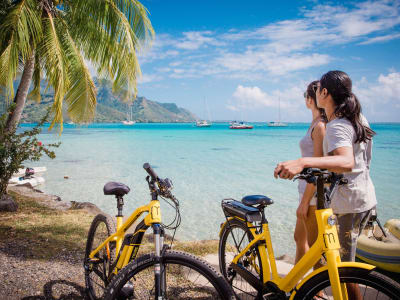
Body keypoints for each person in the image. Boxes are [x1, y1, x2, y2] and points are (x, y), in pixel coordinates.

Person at [274, 70, 376, 299]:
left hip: (348, 203)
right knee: (333, 261)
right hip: (363, 197)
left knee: (345, 272)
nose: (313, 93)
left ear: (325, 93)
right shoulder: (358, 118)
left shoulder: (337, 124)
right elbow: (364, 160)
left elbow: (346, 161)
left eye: (318, 88)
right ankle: (309, 291)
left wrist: (303, 162)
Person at [294, 81, 326, 265]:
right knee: (299, 239)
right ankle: (296, 284)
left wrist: (305, 201)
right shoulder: (315, 123)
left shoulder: (320, 126)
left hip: (312, 193)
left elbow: (318, 167)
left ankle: (317, 293)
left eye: (305, 96)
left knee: (315, 250)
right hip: (306, 190)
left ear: (309, 100)